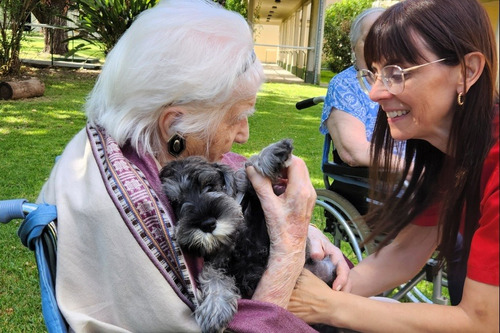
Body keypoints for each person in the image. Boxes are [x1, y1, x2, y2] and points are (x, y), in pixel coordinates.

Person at [36, 0, 348, 331]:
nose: (244, 135)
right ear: (175, 126)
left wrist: (304, 227)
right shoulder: (136, 210)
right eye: (237, 117)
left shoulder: (139, 152)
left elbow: (232, 177)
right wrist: (290, 244)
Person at [289, 0, 499, 331]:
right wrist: (333, 288)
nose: (374, 93)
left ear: (467, 71)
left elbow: (483, 321)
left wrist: (328, 305)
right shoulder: (449, 156)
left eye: (397, 73)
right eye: (372, 73)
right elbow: (406, 251)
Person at [320, 7, 386, 167]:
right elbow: (354, 153)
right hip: (375, 182)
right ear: (353, 47)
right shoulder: (344, 85)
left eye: (386, 38)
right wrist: (417, 171)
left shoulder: (409, 80)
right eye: (368, 39)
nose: (376, 45)